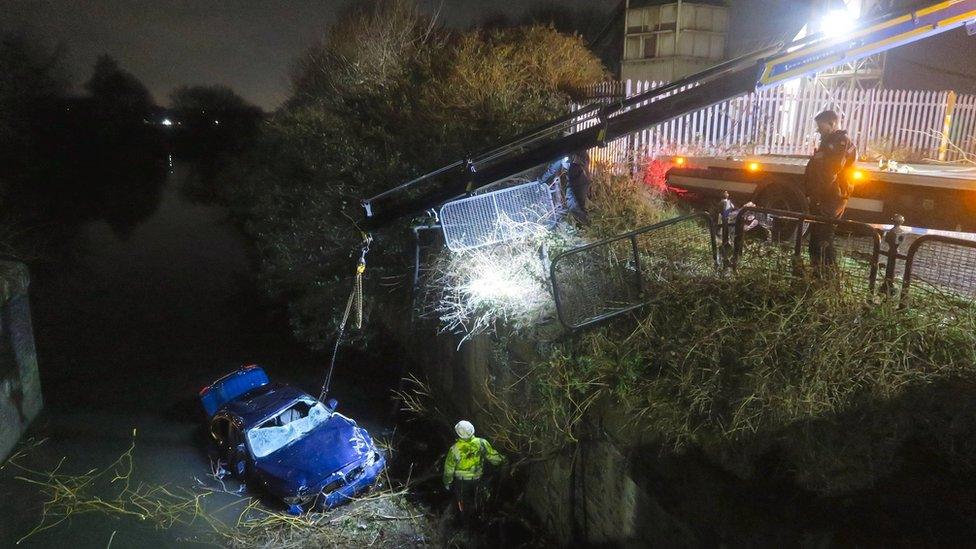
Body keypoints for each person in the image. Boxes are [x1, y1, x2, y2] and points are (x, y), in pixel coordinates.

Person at [803, 110, 857, 271]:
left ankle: (829, 276)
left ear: (832, 124)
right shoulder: (829, 141)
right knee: (816, 236)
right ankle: (817, 271)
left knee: (824, 237)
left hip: (832, 196)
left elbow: (831, 170)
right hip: (825, 195)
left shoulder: (840, 142)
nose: (818, 130)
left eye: (821, 126)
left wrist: (819, 195)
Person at [442, 420, 505, 525]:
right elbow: (494, 458)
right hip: (478, 479)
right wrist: (504, 460)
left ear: (457, 433)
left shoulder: (454, 449)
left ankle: (464, 522)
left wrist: (447, 483)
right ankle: (479, 519)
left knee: (462, 502)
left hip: (461, 482)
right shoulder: (481, 443)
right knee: (478, 499)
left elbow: (449, 470)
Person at [541, 151, 592, 224]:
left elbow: (553, 169)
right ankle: (585, 223)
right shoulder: (581, 154)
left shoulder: (566, 156)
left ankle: (586, 224)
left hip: (576, 182)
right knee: (580, 204)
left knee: (573, 205)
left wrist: (542, 180)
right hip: (583, 181)